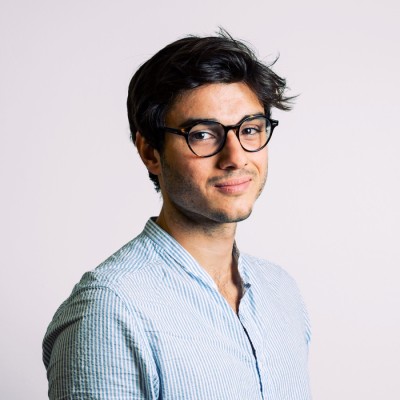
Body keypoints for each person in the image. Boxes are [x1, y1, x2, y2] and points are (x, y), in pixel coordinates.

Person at [43, 31, 312, 399]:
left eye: (250, 129)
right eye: (202, 134)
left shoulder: (281, 293)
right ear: (150, 152)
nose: (235, 157)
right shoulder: (110, 309)